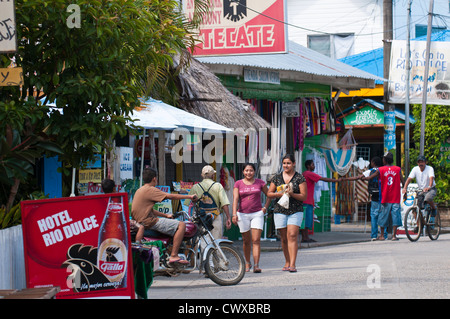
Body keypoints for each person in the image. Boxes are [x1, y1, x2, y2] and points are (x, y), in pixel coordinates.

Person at [131, 167, 197, 264]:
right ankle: (174, 255)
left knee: (172, 223)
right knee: (181, 225)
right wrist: (189, 196)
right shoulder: (150, 190)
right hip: (148, 222)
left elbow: (150, 210)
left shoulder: (140, 190)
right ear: (154, 179)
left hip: (142, 221)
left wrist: (166, 215)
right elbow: (170, 196)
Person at [267, 154, 307, 273]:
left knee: (293, 235)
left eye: (288, 163)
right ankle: (287, 261)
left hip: (295, 210)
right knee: (284, 238)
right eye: (284, 163)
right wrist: (279, 194)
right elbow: (269, 193)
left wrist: (292, 194)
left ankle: (293, 264)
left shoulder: (300, 178)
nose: (286, 165)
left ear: (294, 164)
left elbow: (304, 196)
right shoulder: (277, 178)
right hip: (280, 210)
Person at [232, 163, 271, 273]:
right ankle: (247, 262)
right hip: (242, 214)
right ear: (243, 172)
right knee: (246, 240)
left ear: (254, 172)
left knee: (256, 240)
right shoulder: (238, 183)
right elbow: (235, 199)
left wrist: (265, 208)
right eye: (246, 170)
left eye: (251, 170)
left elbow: (269, 195)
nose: (248, 173)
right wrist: (234, 214)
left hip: (257, 214)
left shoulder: (260, 183)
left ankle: (256, 265)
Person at [362, 152, 405, 241]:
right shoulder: (397, 169)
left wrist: (365, 178)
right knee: (395, 216)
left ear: (385, 160)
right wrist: (405, 190)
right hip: (395, 197)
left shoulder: (381, 169)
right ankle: (393, 235)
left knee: (383, 216)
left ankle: (382, 235)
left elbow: (371, 177)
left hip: (385, 197)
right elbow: (403, 181)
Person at [344, 157, 387, 240]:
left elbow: (358, 177)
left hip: (374, 196)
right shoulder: (383, 170)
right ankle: (384, 235)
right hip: (383, 196)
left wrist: (346, 179)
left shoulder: (370, 171)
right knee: (383, 216)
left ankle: (374, 235)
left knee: (374, 216)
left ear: (373, 163)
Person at [189, 165, 232, 240]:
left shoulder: (195, 187)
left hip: (201, 219)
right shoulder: (218, 186)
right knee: (216, 242)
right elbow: (224, 204)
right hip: (215, 217)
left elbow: (189, 205)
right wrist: (228, 218)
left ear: (202, 175)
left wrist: (190, 219)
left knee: (204, 242)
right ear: (213, 175)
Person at [302, 160, 340, 243]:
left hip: (306, 200)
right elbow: (323, 179)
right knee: (307, 220)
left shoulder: (304, 174)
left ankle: (305, 237)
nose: (314, 166)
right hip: (307, 200)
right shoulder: (309, 174)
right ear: (308, 166)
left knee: (305, 220)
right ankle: (305, 237)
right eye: (312, 164)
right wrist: (336, 180)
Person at [102, 178, 145, 243]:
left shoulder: (101, 201)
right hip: (120, 224)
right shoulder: (118, 200)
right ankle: (137, 245)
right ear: (114, 189)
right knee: (141, 227)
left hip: (107, 225)